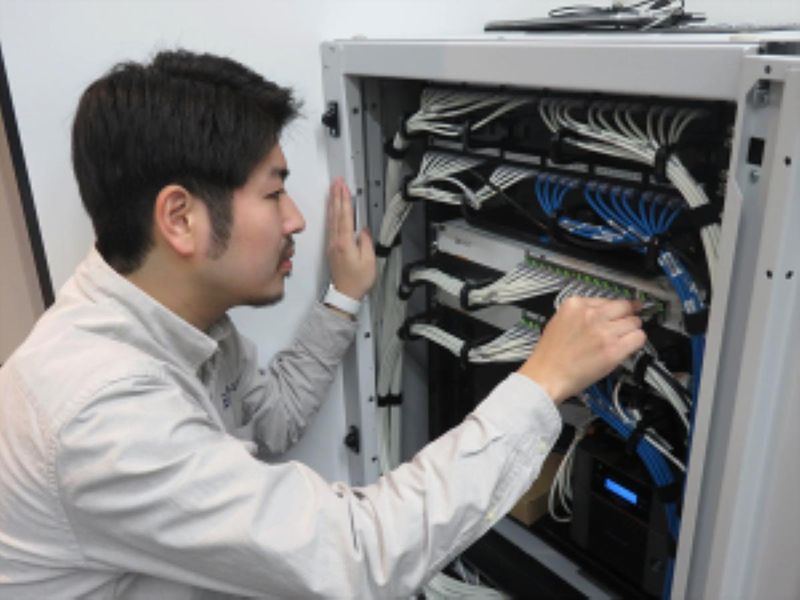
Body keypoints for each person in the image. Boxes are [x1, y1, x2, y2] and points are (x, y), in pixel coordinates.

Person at [0, 50, 645, 599]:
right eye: (273, 192)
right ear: (180, 218)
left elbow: (270, 420)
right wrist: (542, 382)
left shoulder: (183, 322)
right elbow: (357, 556)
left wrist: (342, 297)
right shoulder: (100, 413)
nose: (297, 219)